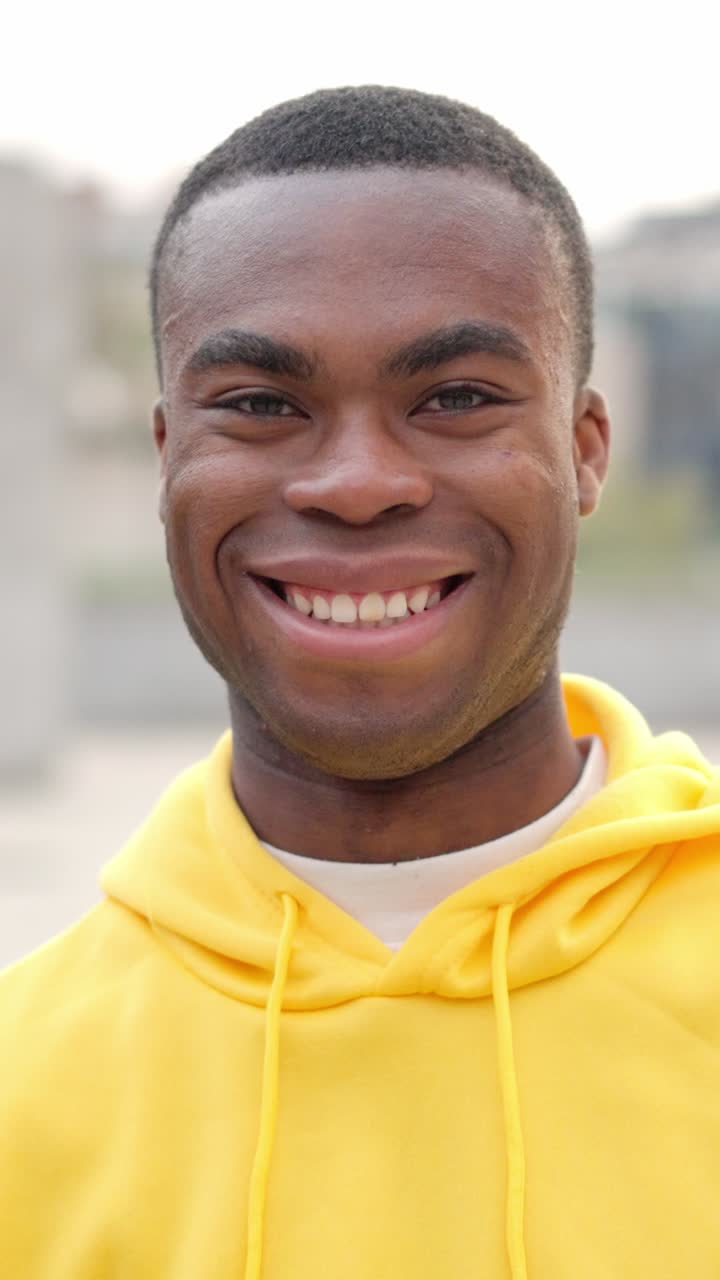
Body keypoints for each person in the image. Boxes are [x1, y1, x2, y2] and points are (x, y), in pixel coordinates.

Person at [1, 86, 719, 1280]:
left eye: (455, 398)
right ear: (168, 454)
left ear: (587, 450)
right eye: (262, 405)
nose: (355, 479)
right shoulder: (22, 1079)